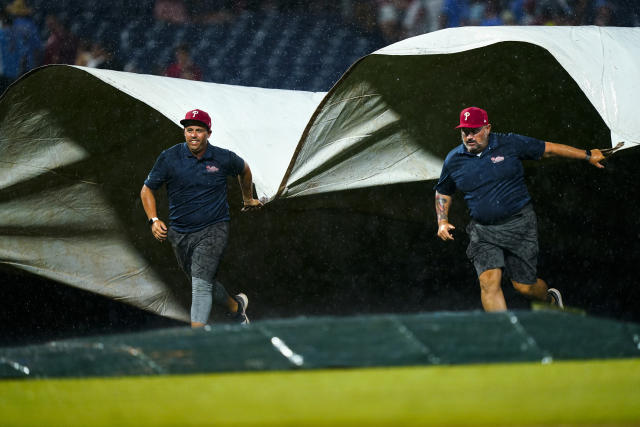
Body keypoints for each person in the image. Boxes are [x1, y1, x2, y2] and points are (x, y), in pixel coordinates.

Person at [434, 107, 606, 312]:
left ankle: (550, 299)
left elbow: (549, 149)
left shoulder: (510, 143)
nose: (469, 136)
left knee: (525, 287)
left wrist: (588, 155)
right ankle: (504, 335)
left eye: (475, 130)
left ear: (488, 128)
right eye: (465, 131)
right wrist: (442, 221)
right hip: (483, 231)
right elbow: (443, 191)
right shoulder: (454, 159)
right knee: (488, 282)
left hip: (519, 225)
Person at [140, 109, 263, 327]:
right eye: (189, 130)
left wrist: (248, 199)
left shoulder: (222, 157)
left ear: (209, 133)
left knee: (200, 286)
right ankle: (236, 308)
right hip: (179, 234)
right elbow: (147, 190)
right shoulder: (169, 157)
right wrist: (153, 219)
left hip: (213, 229)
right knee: (204, 281)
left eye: (199, 130)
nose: (193, 135)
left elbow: (244, 169)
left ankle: (195, 340)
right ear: (184, 132)